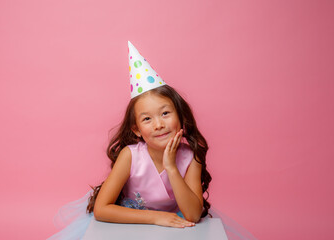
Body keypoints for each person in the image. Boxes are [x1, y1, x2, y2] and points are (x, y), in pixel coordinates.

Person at [47, 41, 257, 240]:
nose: (158, 125)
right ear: (137, 130)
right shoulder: (130, 155)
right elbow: (101, 210)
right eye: (147, 119)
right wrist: (156, 217)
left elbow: (193, 215)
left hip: (173, 229)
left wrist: (171, 168)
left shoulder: (190, 157)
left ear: (181, 117)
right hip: (130, 226)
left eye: (165, 113)